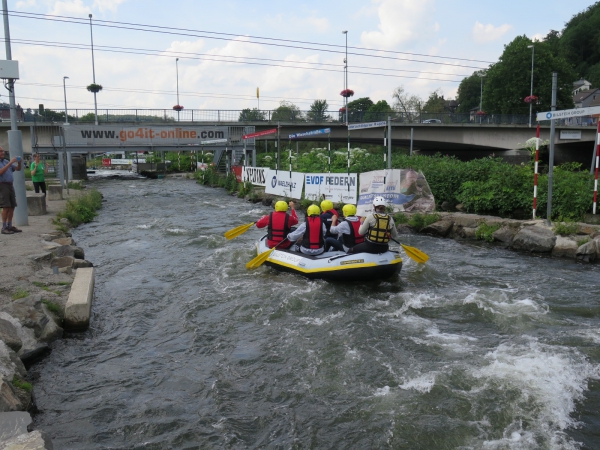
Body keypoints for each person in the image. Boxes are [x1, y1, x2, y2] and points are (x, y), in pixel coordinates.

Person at [0, 146, 23, 234]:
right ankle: (4, 227)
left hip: (10, 185)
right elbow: (1, 172)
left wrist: (19, 163)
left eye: (3, 151)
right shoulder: (7, 163)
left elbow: (17, 169)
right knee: (6, 206)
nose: (2, 153)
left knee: (12, 206)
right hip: (2, 186)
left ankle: (10, 225)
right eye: (0, 151)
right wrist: (10, 163)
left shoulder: (5, 161)